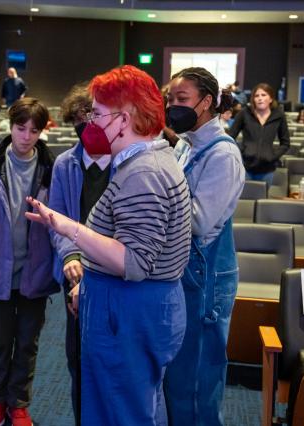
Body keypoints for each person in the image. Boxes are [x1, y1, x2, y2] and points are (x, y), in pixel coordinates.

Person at [27, 65, 191, 425]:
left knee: (124, 413)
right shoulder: (146, 161)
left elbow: (132, 262)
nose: (92, 124)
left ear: (124, 118)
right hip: (131, 308)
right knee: (137, 407)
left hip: (130, 312)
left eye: (98, 114)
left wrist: (68, 227)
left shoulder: (144, 171)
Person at [0, 98, 58, 426]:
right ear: (10, 126)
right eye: (21, 128)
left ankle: (19, 403)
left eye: (34, 130)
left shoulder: (51, 169)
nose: (26, 136)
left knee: (28, 344)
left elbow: (61, 220)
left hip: (35, 273)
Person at [163, 67, 245, 426]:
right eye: (170, 99)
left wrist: (158, 193)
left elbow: (197, 221)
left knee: (198, 379)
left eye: (182, 100)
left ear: (206, 102)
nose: (173, 106)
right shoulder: (185, 143)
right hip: (183, 273)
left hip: (205, 277)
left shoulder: (223, 154)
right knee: (178, 374)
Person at [47, 82, 111, 424]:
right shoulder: (64, 165)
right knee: (79, 359)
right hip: (75, 273)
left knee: (111, 360)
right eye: (81, 124)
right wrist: (70, 257)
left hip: (114, 274)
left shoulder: (125, 162)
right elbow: (57, 219)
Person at [228, 83, 290, 186]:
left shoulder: (279, 116)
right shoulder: (244, 113)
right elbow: (230, 138)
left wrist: (273, 155)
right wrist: (241, 153)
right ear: (253, 99)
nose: (260, 98)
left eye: (264, 95)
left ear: (270, 99)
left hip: (267, 170)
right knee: (244, 201)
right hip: (245, 168)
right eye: (257, 96)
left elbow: (285, 143)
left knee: (262, 199)